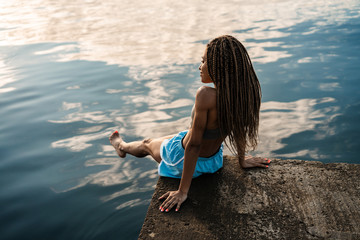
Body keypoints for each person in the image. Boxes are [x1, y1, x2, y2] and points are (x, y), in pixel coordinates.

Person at [109, 35, 270, 213]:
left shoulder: (206, 95)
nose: (199, 67)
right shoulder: (243, 94)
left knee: (147, 143)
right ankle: (127, 146)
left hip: (181, 160)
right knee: (181, 134)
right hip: (213, 161)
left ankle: (121, 146)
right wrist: (242, 160)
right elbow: (239, 129)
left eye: (203, 61)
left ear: (218, 67)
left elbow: (193, 145)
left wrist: (182, 191)